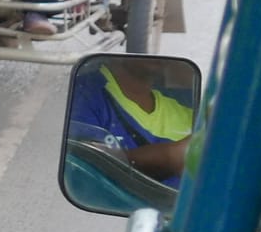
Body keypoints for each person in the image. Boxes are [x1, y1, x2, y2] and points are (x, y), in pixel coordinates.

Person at [66, 57, 198, 189]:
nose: (152, 50)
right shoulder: (83, 92)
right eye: (143, 39)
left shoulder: (190, 111)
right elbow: (80, 167)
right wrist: (168, 157)